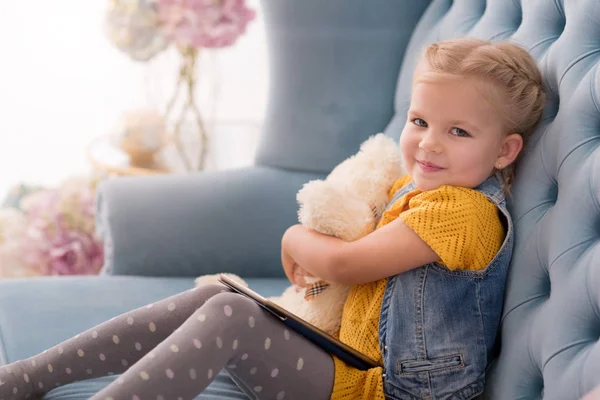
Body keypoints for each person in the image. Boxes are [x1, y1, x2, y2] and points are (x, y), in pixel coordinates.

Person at [0, 38, 545, 400]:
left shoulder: (465, 213)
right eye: (420, 120)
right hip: (354, 363)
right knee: (218, 299)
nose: (427, 143)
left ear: (505, 150)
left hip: (392, 392)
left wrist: (292, 235)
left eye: (458, 131)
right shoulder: (416, 188)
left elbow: (347, 264)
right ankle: (30, 377)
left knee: (231, 319)